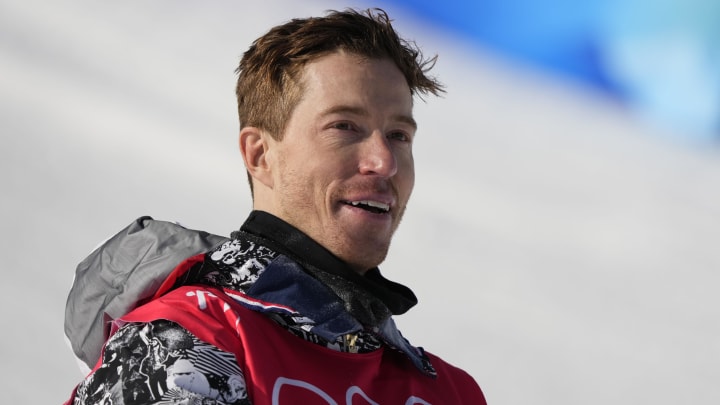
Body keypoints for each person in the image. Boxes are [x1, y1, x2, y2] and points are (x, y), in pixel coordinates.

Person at [64, 8, 487, 405]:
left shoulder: (450, 392)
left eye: (399, 135)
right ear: (261, 155)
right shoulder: (187, 342)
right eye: (344, 127)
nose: (384, 162)